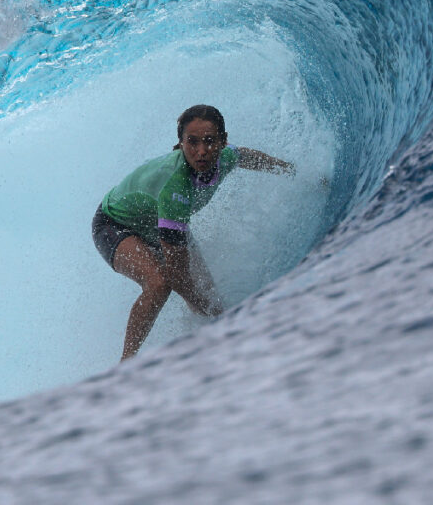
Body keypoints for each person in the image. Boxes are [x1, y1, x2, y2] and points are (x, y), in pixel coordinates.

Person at [92, 104, 296, 361]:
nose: (201, 151)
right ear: (180, 144)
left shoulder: (225, 158)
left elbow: (247, 157)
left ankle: (207, 350)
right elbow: (178, 277)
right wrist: (211, 312)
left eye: (210, 141)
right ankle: (125, 365)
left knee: (210, 297)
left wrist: (291, 170)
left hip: (159, 223)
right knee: (160, 284)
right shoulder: (175, 188)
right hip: (114, 223)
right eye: (192, 142)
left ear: (223, 142)